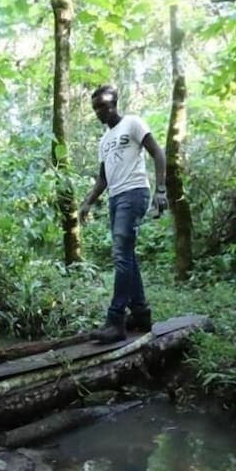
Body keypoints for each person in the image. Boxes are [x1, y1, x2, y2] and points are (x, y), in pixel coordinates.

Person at [79, 85, 168, 343]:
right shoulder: (104, 140)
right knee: (127, 256)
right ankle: (140, 313)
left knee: (120, 256)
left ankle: (115, 320)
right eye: (96, 107)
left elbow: (157, 153)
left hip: (135, 192)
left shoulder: (132, 123)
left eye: (104, 105)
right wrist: (87, 203)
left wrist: (161, 189)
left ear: (115, 103)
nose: (100, 111)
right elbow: (102, 179)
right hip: (116, 197)